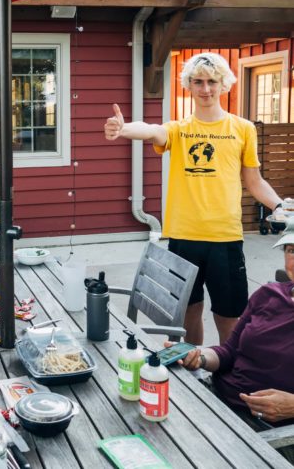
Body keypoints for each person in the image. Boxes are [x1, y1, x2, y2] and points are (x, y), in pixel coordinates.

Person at [104, 52, 284, 345]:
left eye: (212, 81)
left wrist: (279, 205)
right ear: (188, 84)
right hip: (184, 237)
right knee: (187, 315)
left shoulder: (242, 129)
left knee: (229, 316)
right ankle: (193, 375)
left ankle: (226, 375)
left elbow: (254, 181)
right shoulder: (180, 129)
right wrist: (124, 129)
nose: (205, 89)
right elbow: (152, 131)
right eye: (198, 82)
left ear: (224, 84)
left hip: (225, 238)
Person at [171, 219, 294, 463]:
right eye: (291, 250)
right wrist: (200, 357)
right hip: (217, 399)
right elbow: (229, 351)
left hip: (266, 432)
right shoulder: (269, 294)